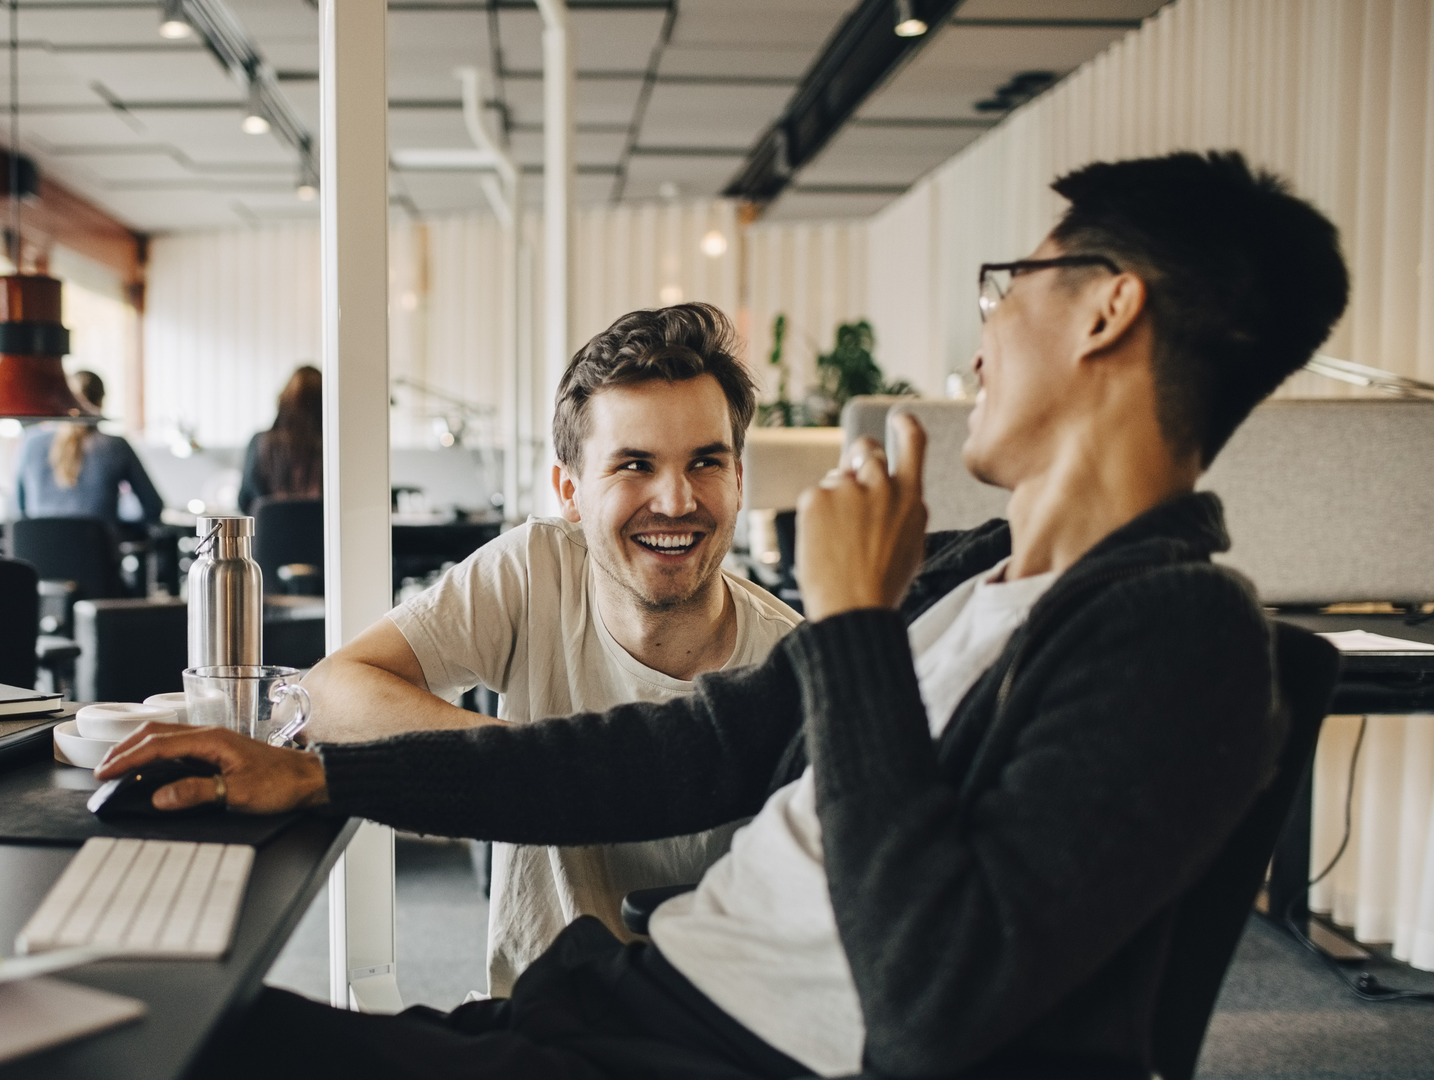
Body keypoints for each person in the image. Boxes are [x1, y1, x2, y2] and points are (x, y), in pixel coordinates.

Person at [99, 151, 1350, 1079]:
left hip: (720, 1057)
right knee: (134, 1018)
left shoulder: (1187, 637)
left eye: (1006, 287)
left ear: (1105, 307)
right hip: (635, 998)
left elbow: (936, 1000)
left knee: (128, 1049)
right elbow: (684, 752)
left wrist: (855, 621)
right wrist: (321, 776)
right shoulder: (978, 572)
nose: (981, 342)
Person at [300, 303, 800, 994]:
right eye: (635, 464)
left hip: (708, 1040)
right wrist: (529, 770)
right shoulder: (535, 570)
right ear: (570, 490)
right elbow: (332, 694)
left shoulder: (794, 664)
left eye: (706, 462)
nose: (678, 500)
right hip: (528, 1022)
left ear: (739, 479)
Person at [14, 371, 164, 530]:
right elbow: (153, 507)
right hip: (96, 551)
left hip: (37, 551)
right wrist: (117, 531)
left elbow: (19, 509)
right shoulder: (116, 446)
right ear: (100, 403)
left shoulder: (31, 442)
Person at [239, 365, 322, 514]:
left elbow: (244, 501)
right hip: (321, 535)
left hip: (269, 535)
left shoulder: (260, 442)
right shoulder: (330, 447)